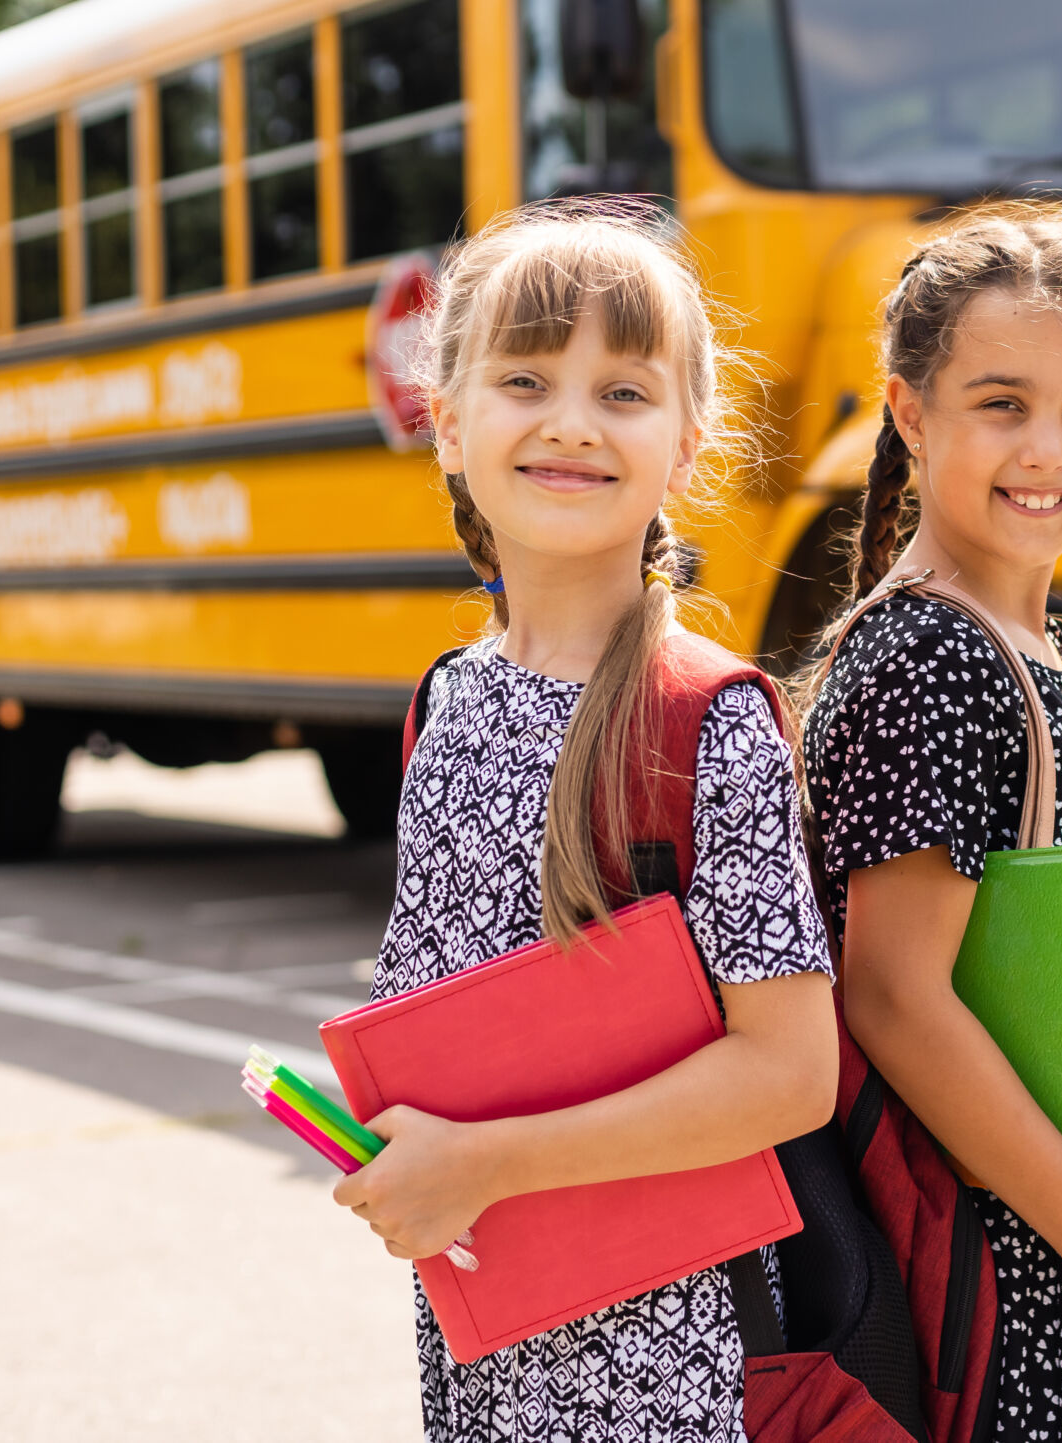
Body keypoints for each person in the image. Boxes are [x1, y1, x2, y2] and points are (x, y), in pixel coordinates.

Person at [334, 205, 837, 1443]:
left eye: (622, 390)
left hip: (675, 1369)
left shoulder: (706, 722)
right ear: (446, 423)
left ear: (685, 445)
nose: (568, 421)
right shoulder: (448, 702)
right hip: (487, 1334)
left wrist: (485, 1163)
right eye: (523, 379)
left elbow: (790, 1071)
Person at [800, 212, 1062, 1442]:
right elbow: (895, 997)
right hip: (1023, 1298)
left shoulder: (1015, 649)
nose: (1047, 448)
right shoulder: (931, 657)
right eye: (1001, 403)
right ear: (910, 413)